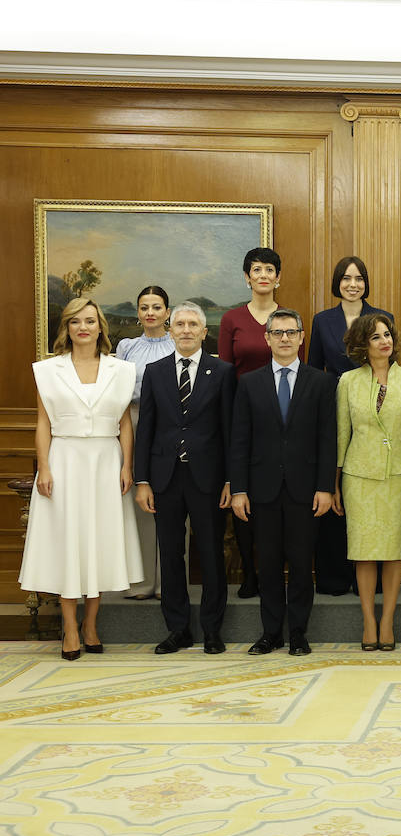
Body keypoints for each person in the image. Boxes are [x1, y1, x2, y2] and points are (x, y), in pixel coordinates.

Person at [21, 298, 142, 660]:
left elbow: (124, 423)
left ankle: (91, 624)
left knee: (98, 540)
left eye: (90, 320)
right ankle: (70, 627)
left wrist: (126, 467)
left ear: (100, 327)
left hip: (106, 461)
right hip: (65, 460)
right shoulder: (47, 370)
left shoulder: (121, 370)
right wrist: (44, 466)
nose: (83, 327)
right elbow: (43, 422)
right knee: (68, 540)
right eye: (76, 322)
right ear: (67, 329)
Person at [230, 308, 336, 656]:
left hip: (306, 490)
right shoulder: (249, 383)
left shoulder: (320, 382)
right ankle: (270, 633)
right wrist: (239, 489)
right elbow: (240, 439)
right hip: (262, 490)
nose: (285, 338)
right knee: (270, 564)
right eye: (278, 333)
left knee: (303, 564)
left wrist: (325, 487)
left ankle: (299, 633)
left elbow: (327, 439)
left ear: (302, 337)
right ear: (267, 339)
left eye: (291, 332)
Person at [134, 302, 236, 655]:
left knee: (209, 553)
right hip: (164, 478)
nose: (187, 329)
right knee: (171, 554)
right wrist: (142, 481)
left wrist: (229, 481)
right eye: (180, 324)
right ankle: (177, 629)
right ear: (171, 330)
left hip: (208, 479)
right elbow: (145, 429)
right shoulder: (155, 371)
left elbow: (230, 431)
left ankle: (211, 629)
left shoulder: (222, 372)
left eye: (194, 324)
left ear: (204, 332)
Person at [335, 312, 401, 652]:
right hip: (358, 475)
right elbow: (343, 433)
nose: (385, 341)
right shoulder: (348, 381)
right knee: (364, 551)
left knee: (393, 549)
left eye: (388, 335)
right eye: (376, 337)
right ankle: (369, 621)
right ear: (362, 345)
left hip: (398, 474)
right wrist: (336, 480)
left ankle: (388, 622)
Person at [307, 256, 393, 596]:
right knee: (336, 482)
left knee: (370, 493)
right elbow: (314, 366)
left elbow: (390, 363)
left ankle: (369, 579)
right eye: (346, 278)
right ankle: (333, 577)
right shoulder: (323, 320)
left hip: (373, 411)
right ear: (337, 283)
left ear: (366, 282)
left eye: (358, 278)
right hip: (333, 406)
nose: (352, 284)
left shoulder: (381, 318)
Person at [219, 247, 297, 600]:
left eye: (269, 269)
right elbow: (223, 372)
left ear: (278, 277)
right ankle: (249, 574)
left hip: (281, 420)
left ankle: (278, 573)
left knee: (278, 498)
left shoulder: (287, 321)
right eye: (256, 269)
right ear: (247, 277)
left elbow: (299, 371)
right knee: (243, 494)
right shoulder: (232, 319)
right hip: (241, 417)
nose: (263, 275)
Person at [116, 284, 175, 600]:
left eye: (156, 307)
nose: (150, 313)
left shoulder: (178, 343)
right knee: (140, 499)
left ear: (168, 311)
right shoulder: (126, 347)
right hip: (134, 422)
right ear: (138, 313)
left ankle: (169, 582)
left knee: (172, 500)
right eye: (144, 307)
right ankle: (142, 581)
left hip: (171, 424)